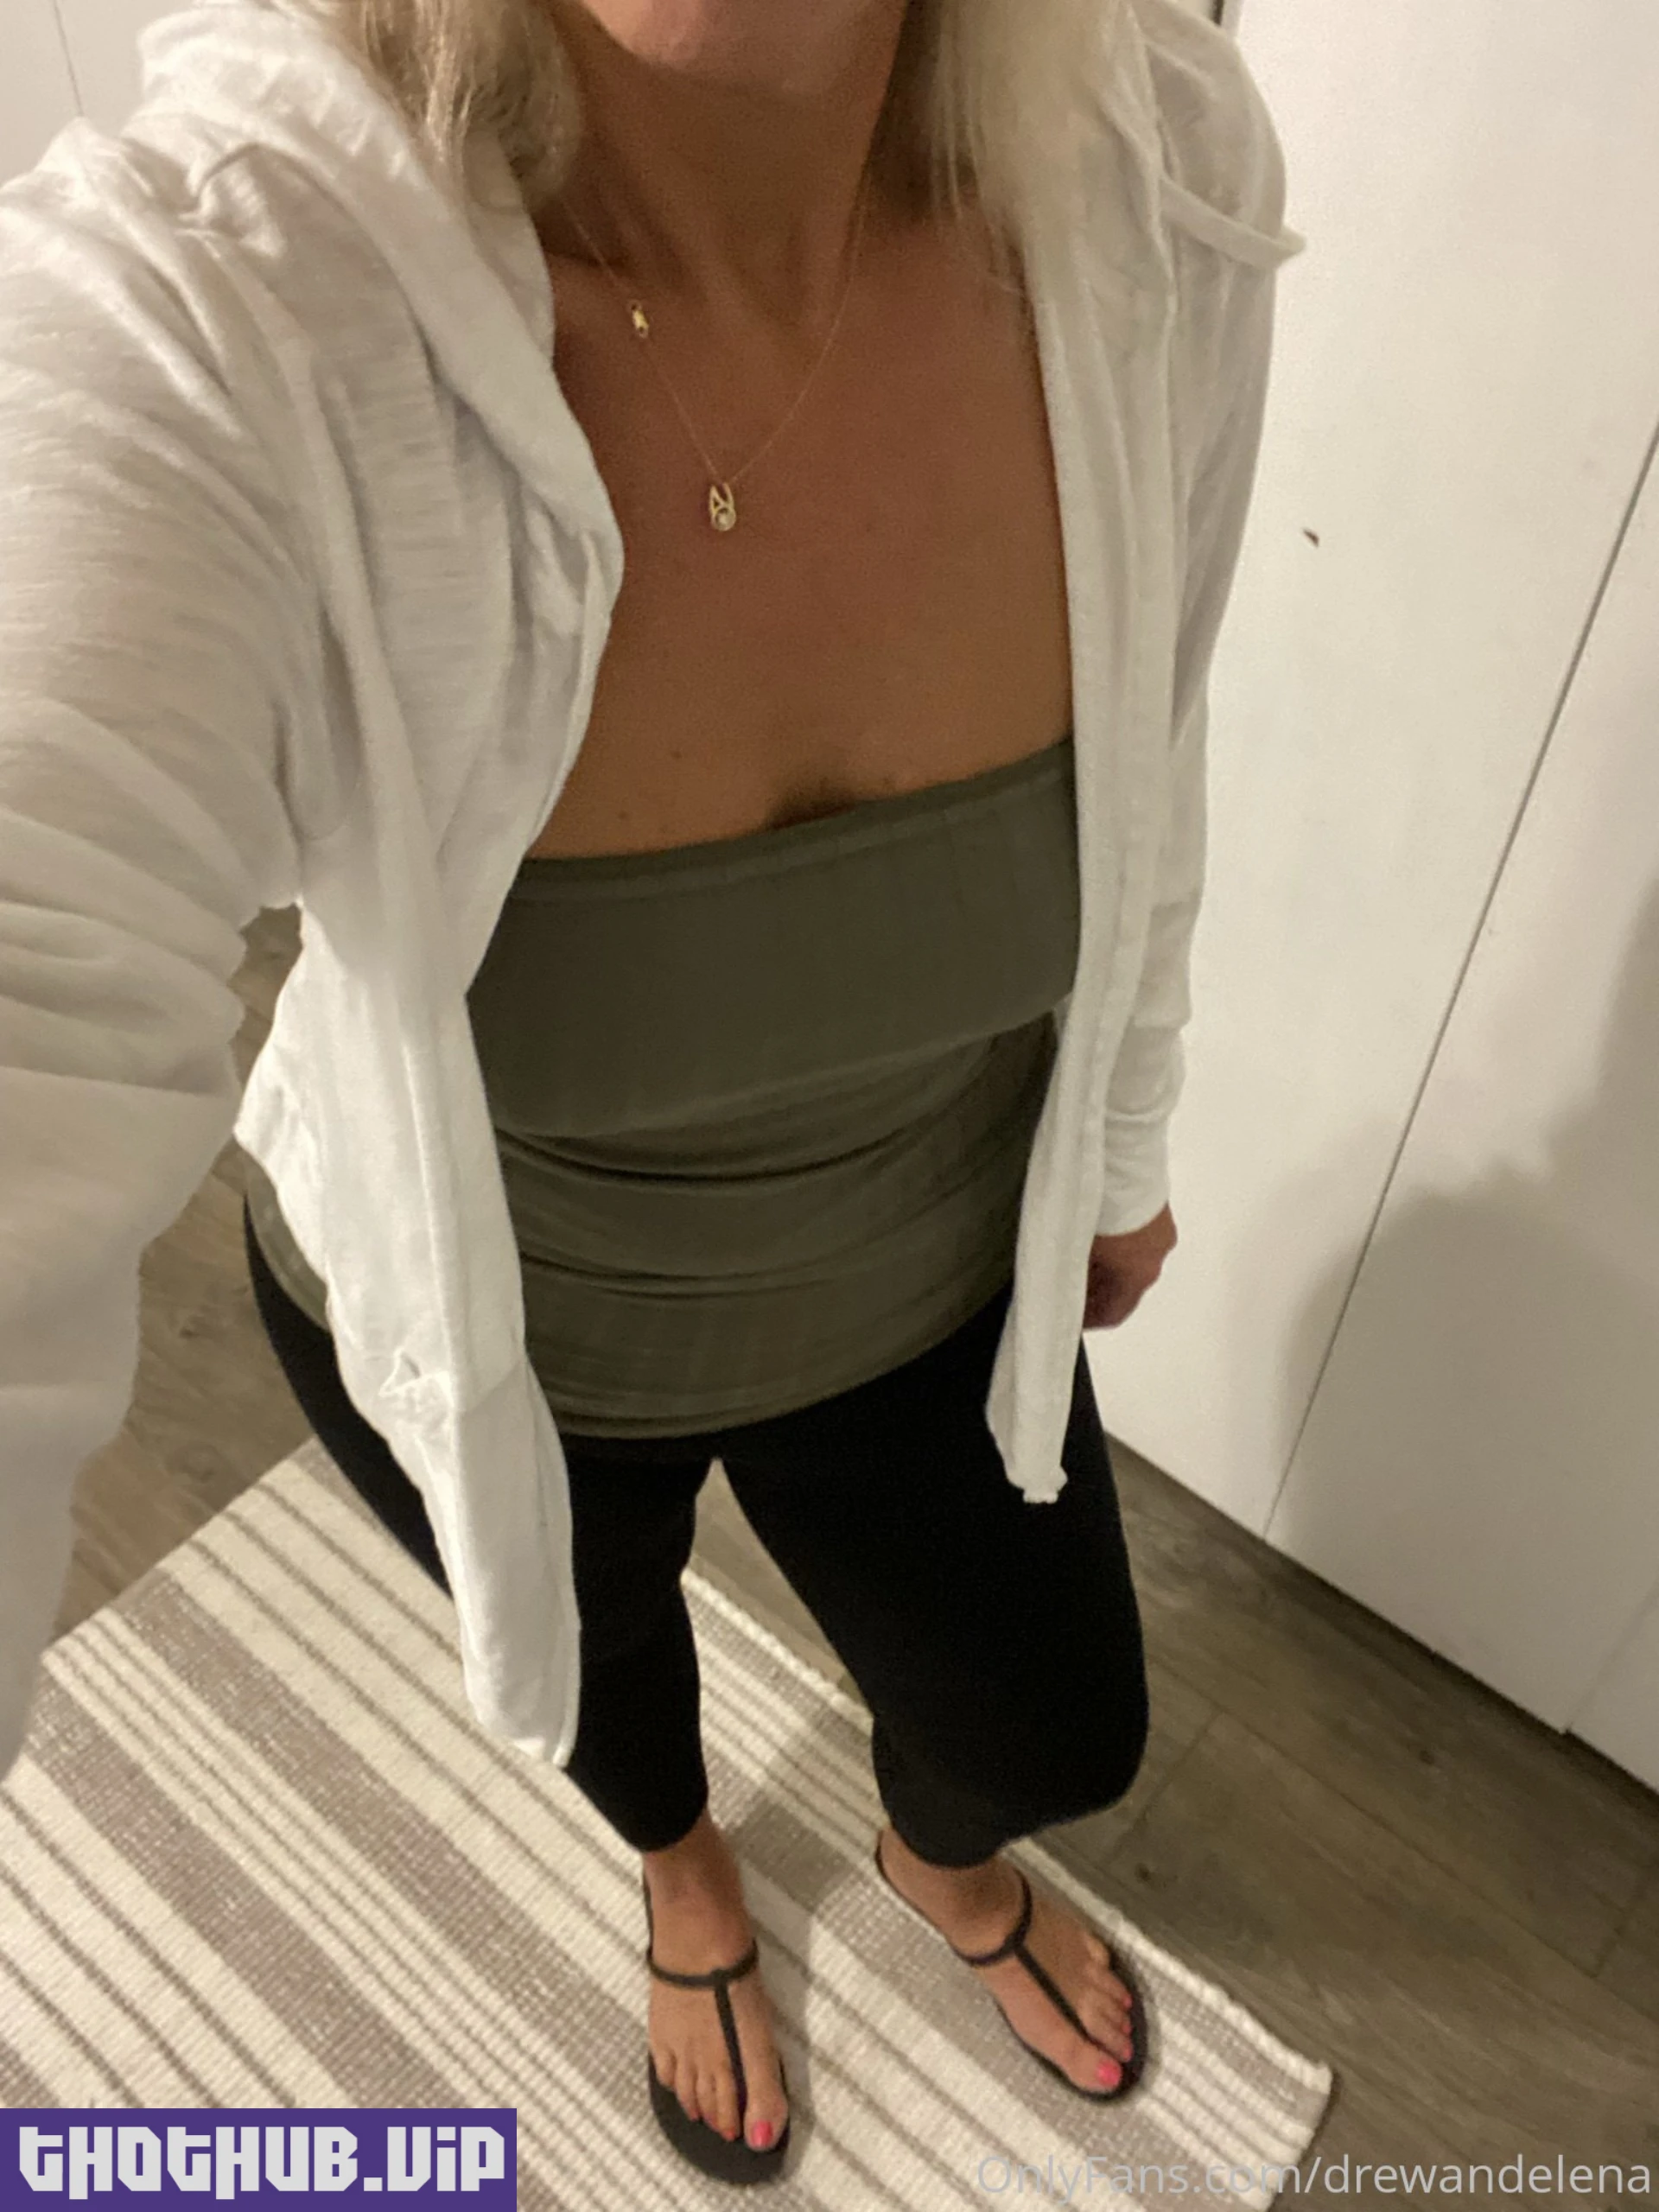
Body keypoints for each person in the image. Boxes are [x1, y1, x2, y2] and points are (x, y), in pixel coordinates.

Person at [0, 0, 1301, 2183]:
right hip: (508, 1341)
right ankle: (687, 1876)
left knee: (1052, 1721)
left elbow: (1155, 745)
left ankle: (935, 1857)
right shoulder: (229, 305)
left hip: (932, 1287)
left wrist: (1128, 1131)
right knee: (607, 1687)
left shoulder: (1150, 160)